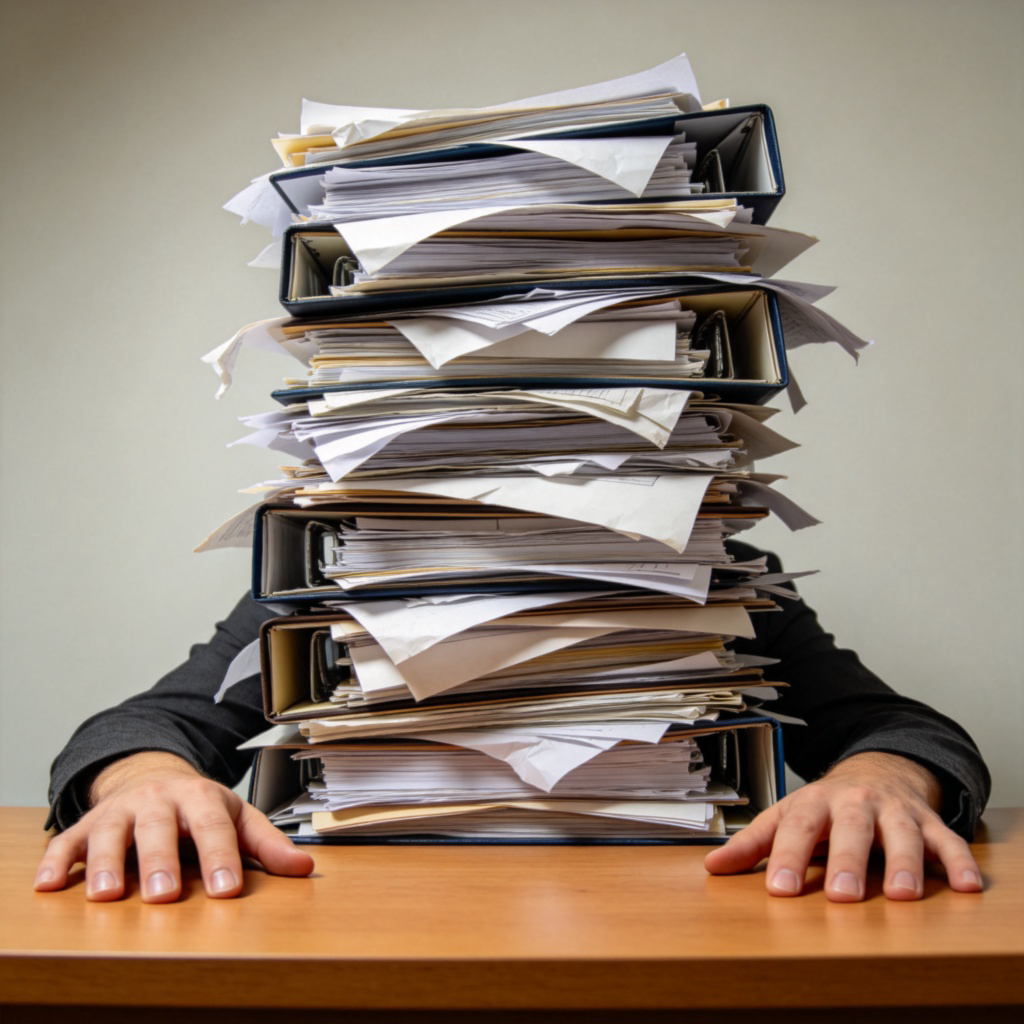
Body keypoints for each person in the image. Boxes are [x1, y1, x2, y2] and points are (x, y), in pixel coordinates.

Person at [34, 542, 990, 904]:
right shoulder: (327, 585)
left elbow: (893, 725)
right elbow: (152, 723)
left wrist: (883, 780)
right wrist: (146, 777)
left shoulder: (726, 576)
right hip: (376, 947)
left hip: (666, 947)